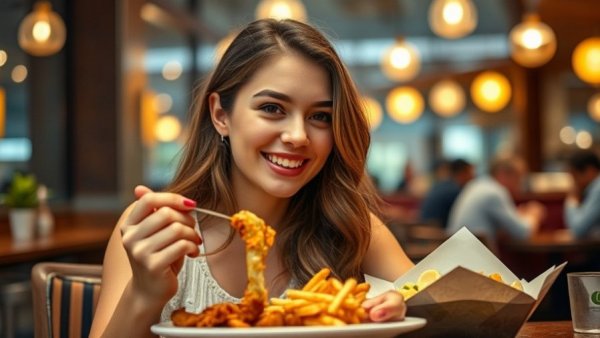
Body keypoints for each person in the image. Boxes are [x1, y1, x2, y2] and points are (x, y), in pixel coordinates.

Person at [90, 19, 414, 338]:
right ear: (220, 115)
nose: (298, 136)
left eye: (320, 116)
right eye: (272, 108)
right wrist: (143, 294)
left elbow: (449, 311)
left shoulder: (354, 227)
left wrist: (403, 312)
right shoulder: (156, 231)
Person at [447, 154, 546, 243]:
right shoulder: (495, 192)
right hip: (474, 261)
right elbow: (523, 233)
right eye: (518, 177)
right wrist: (533, 215)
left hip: (457, 257)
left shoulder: (477, 185)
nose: (520, 186)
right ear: (503, 174)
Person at [420, 159, 475, 228]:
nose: (473, 177)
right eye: (471, 173)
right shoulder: (453, 191)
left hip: (426, 234)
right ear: (463, 173)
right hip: (440, 236)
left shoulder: (439, 185)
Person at [564, 149, 600, 238]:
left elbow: (578, 230)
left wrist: (571, 201)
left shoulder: (598, 189)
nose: (574, 183)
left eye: (575, 176)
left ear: (590, 170)